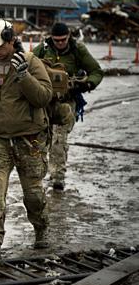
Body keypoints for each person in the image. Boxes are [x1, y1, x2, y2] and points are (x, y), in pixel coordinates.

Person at [0, 20, 53, 261]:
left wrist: (24, 76)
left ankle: (41, 228)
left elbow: (44, 97)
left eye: (0, 45)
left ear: (11, 41)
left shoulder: (30, 62)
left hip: (30, 141)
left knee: (33, 195)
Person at [33, 22, 104, 191]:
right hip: (44, 102)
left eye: (63, 40)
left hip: (66, 102)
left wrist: (87, 84)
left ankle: (58, 178)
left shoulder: (78, 50)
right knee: (41, 139)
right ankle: (38, 177)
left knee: (59, 138)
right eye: (56, 40)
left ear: (68, 37)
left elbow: (96, 71)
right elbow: (28, 63)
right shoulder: (43, 48)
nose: (59, 44)